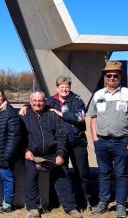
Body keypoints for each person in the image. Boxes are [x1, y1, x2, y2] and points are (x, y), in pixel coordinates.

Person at [20, 75, 90, 210]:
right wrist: (25, 106)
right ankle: (55, 200)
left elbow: (81, 117)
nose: (64, 89)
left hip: (75, 141)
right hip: (60, 144)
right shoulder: (51, 100)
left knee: (81, 173)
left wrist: (61, 114)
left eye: (67, 86)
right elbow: (38, 103)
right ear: (57, 88)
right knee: (60, 172)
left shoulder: (76, 100)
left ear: (70, 87)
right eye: (61, 86)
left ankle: (83, 200)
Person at [88, 61, 128, 218]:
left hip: (122, 142)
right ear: (105, 76)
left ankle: (120, 205)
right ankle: (103, 203)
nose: (112, 78)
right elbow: (93, 118)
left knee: (121, 174)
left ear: (120, 76)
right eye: (109, 75)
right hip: (102, 142)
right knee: (103, 173)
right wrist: (95, 138)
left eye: (115, 75)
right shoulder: (98, 95)